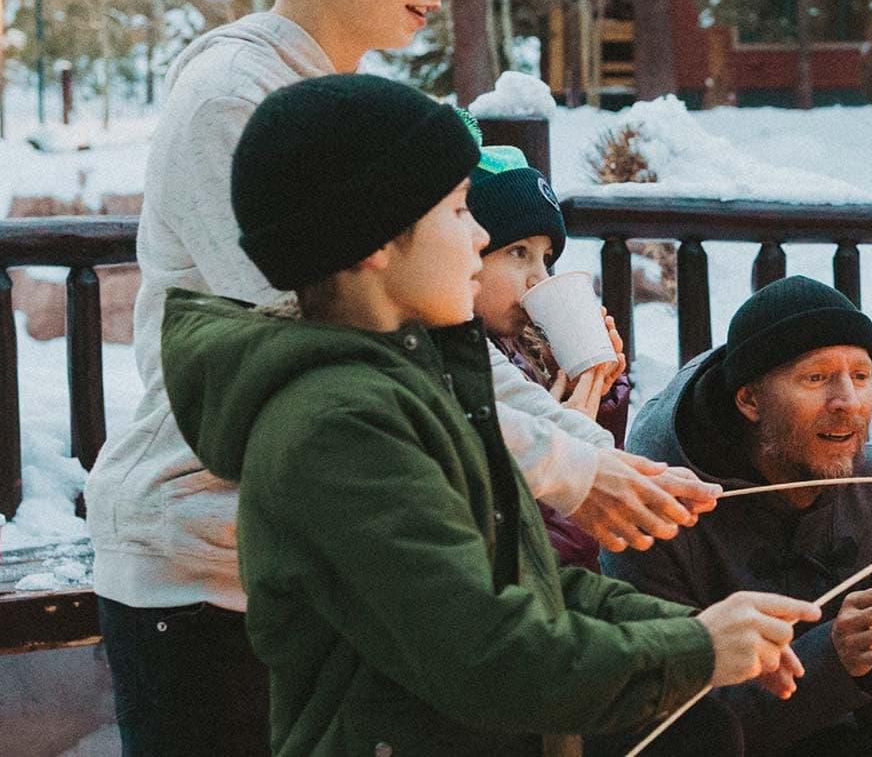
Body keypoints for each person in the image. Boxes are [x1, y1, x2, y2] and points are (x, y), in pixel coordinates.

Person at [85, 0, 715, 755]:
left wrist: (598, 458)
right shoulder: (234, 104)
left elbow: (439, 345)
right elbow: (350, 361)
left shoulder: (357, 106)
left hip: (325, 553)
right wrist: (561, 466)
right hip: (200, 564)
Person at [158, 73, 817, 757]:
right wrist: (695, 649)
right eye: (457, 211)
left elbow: (522, 580)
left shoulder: (411, 384)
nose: (478, 237)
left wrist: (688, 628)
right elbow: (483, 652)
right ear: (375, 241)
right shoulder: (339, 427)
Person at [601, 276, 872, 756]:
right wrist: (829, 658)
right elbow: (667, 734)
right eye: (816, 378)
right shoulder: (658, 500)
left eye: (860, 376)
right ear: (750, 400)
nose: (847, 403)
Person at [469, 148, 633, 566]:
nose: (538, 279)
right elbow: (554, 550)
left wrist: (600, 390)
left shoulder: (531, 353)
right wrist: (572, 439)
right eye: (517, 252)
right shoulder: (461, 368)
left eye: (546, 259)